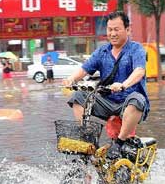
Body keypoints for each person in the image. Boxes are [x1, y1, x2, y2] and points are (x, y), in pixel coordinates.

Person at [63, 11, 150, 160]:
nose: (113, 33)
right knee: (77, 97)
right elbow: (84, 69)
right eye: (110, 30)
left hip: (128, 103)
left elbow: (139, 71)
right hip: (107, 102)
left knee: (137, 99)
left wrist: (123, 85)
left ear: (127, 30)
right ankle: (88, 141)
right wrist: (71, 79)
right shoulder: (102, 51)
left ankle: (119, 143)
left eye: (117, 29)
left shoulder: (136, 49)